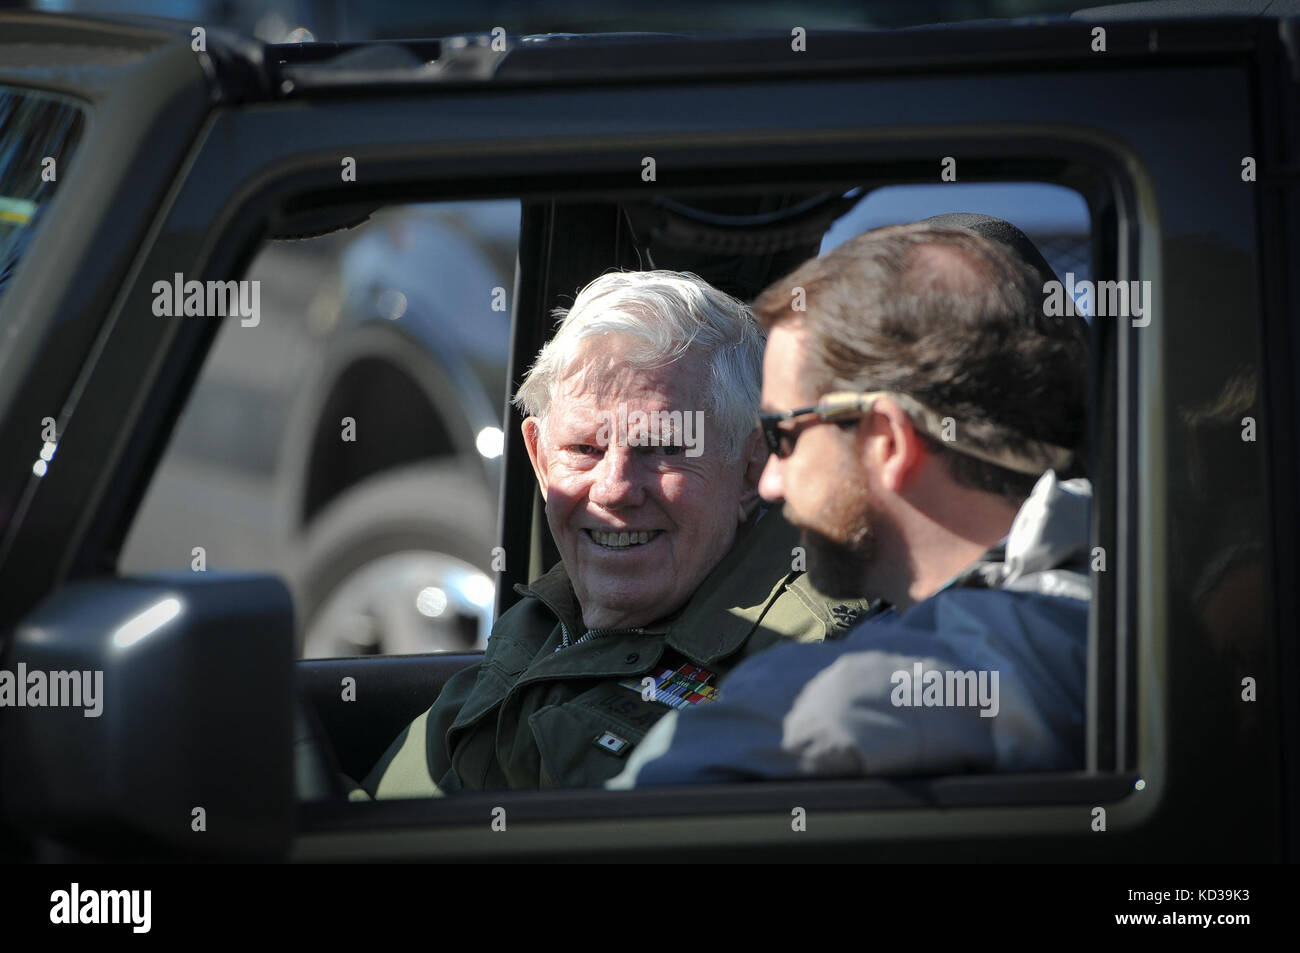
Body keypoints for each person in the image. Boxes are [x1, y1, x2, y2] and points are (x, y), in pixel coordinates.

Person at [608, 219, 1092, 787]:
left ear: (885, 441)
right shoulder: (1128, 582)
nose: (769, 482)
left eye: (780, 437)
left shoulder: (835, 699)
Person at [360, 269, 871, 796]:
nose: (614, 488)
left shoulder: (809, 661)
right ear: (538, 457)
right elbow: (374, 823)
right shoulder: (545, 622)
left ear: (749, 467)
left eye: (664, 448)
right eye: (585, 449)